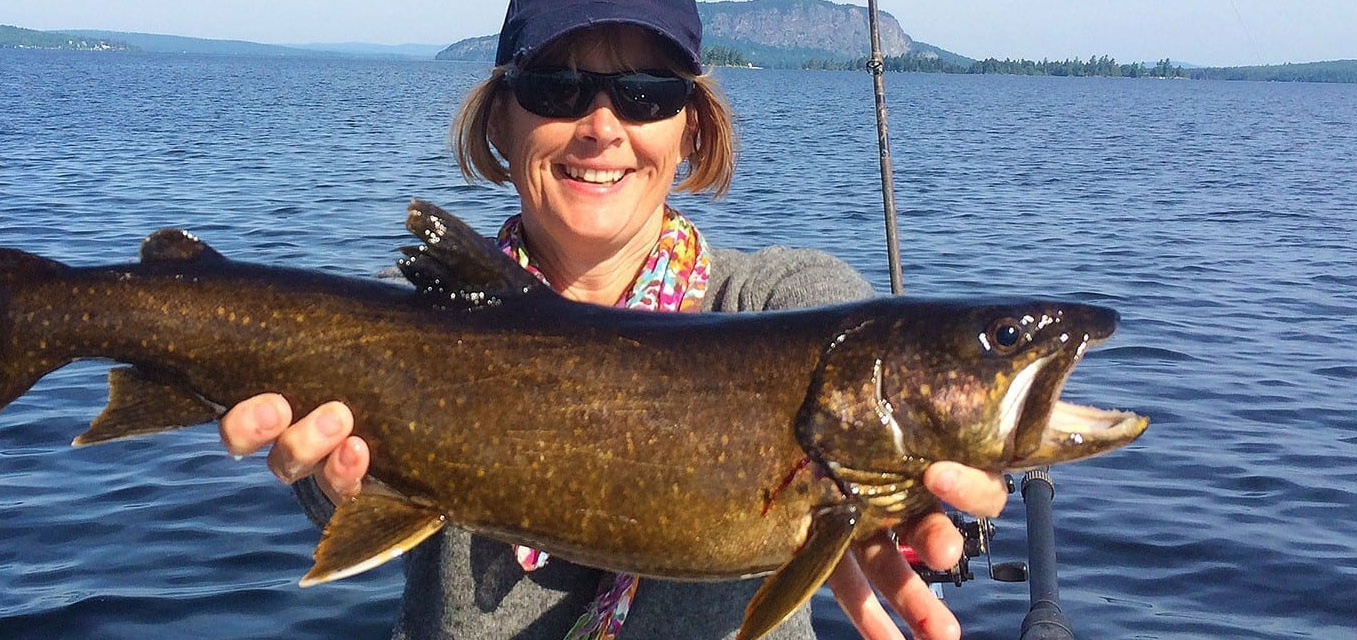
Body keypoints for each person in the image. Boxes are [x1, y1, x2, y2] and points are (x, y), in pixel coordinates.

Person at [221, 1, 1007, 638]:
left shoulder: (780, 303)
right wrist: (334, 487)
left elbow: (865, 363)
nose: (601, 125)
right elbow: (338, 488)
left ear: (691, 128)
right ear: (502, 121)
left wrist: (912, 479)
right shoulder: (409, 313)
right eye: (557, 88)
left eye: (646, 94)